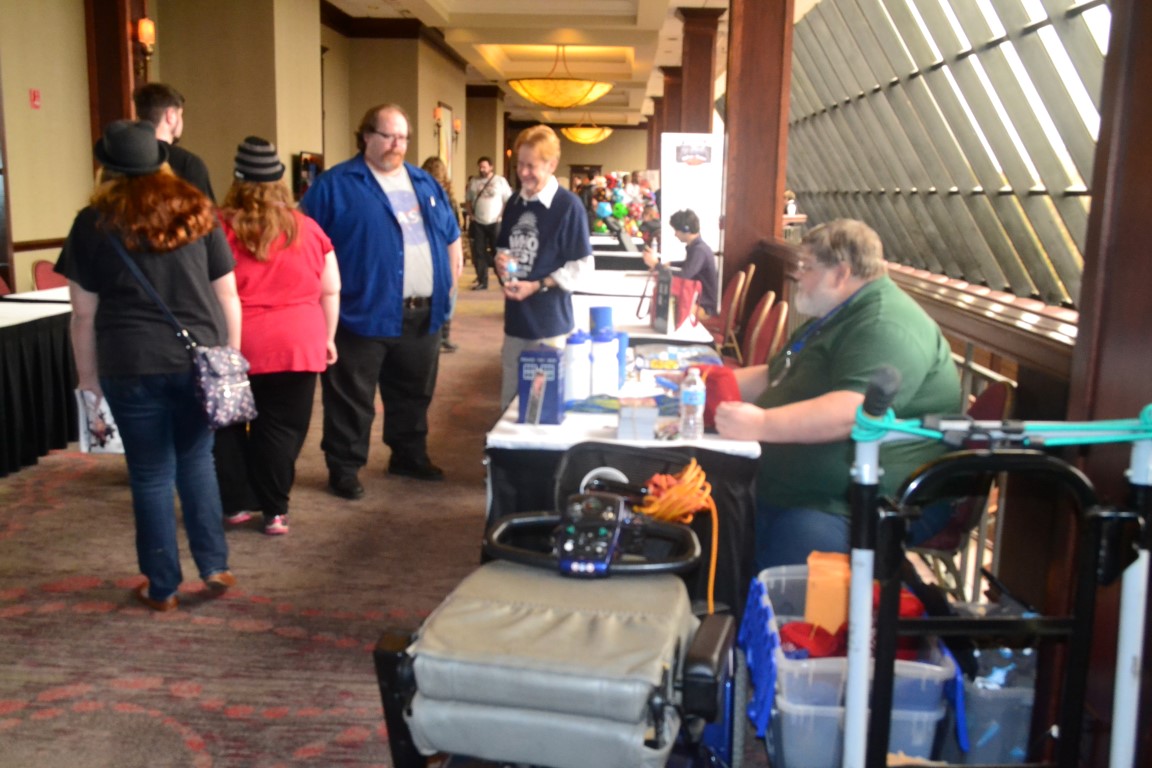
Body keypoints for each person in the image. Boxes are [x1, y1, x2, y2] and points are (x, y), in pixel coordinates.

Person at [57, 119, 239, 610]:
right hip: (198, 358)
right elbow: (228, 294)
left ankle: (163, 588)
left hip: (129, 362)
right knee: (197, 461)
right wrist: (230, 358)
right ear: (161, 163)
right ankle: (214, 565)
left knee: (151, 473)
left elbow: (83, 315)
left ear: (106, 169)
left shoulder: (92, 223)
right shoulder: (199, 213)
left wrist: (88, 381)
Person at [714, 219, 962, 571]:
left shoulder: (886, 325)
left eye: (806, 267)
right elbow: (776, 375)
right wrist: (704, 382)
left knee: (773, 568)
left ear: (841, 273)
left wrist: (762, 423)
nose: (796, 275)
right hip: (802, 490)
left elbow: (853, 411)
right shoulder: (838, 314)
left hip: (860, 504)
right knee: (709, 507)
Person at [300, 103, 461, 498]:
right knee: (351, 398)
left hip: (422, 313)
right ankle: (344, 467)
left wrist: (449, 285)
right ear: (366, 136)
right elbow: (306, 246)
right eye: (388, 136)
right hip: (361, 312)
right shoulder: (335, 185)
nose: (397, 145)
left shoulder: (425, 183)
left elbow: (451, 236)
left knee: (414, 392)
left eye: (403, 137)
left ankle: (408, 455)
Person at [213, 137, 341, 536]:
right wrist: (329, 337)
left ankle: (235, 504)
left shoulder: (217, 229)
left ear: (236, 180)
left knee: (228, 427)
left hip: (235, 343)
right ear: (281, 181)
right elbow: (331, 289)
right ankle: (275, 511)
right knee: (282, 429)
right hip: (297, 345)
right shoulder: (309, 229)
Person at [494, 125, 593, 408]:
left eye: (531, 166)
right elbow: (505, 248)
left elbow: (583, 266)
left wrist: (537, 285)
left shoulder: (568, 206)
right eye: (520, 165)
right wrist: (502, 264)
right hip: (515, 320)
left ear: (552, 165)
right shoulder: (514, 202)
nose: (523, 173)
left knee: (542, 406)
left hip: (549, 323)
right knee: (510, 401)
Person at [133, 82, 216, 202]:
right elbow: (206, 211)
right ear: (170, 116)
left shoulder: (122, 160)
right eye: (180, 114)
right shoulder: (188, 164)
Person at [641, 208, 719, 317]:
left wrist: (656, 265)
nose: (675, 234)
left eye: (676, 230)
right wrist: (670, 264)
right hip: (699, 301)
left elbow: (684, 275)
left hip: (704, 307)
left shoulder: (699, 250)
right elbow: (688, 264)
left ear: (686, 229)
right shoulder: (698, 247)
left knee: (665, 307)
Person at [421, 156, 463, 352]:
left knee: (444, 290)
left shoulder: (430, 197)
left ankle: (441, 334)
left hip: (434, 249)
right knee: (449, 290)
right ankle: (441, 334)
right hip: (442, 249)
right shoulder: (446, 199)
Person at [464, 156, 512, 290]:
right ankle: (482, 281)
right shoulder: (474, 181)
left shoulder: (500, 181)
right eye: (480, 167)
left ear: (491, 167)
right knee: (479, 252)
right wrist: (471, 215)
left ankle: (504, 280)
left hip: (495, 222)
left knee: (498, 252)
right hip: (478, 222)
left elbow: (507, 200)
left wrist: (502, 216)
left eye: (484, 167)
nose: (482, 169)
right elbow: (468, 200)